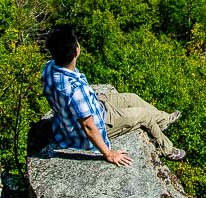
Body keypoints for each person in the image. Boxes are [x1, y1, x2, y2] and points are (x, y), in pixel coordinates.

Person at [42, 25, 185, 166]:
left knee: (132, 98)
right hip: (97, 124)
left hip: (93, 106)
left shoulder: (49, 68)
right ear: (76, 51)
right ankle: (167, 149)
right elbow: (88, 126)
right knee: (144, 116)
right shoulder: (75, 90)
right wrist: (109, 154)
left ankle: (163, 121)